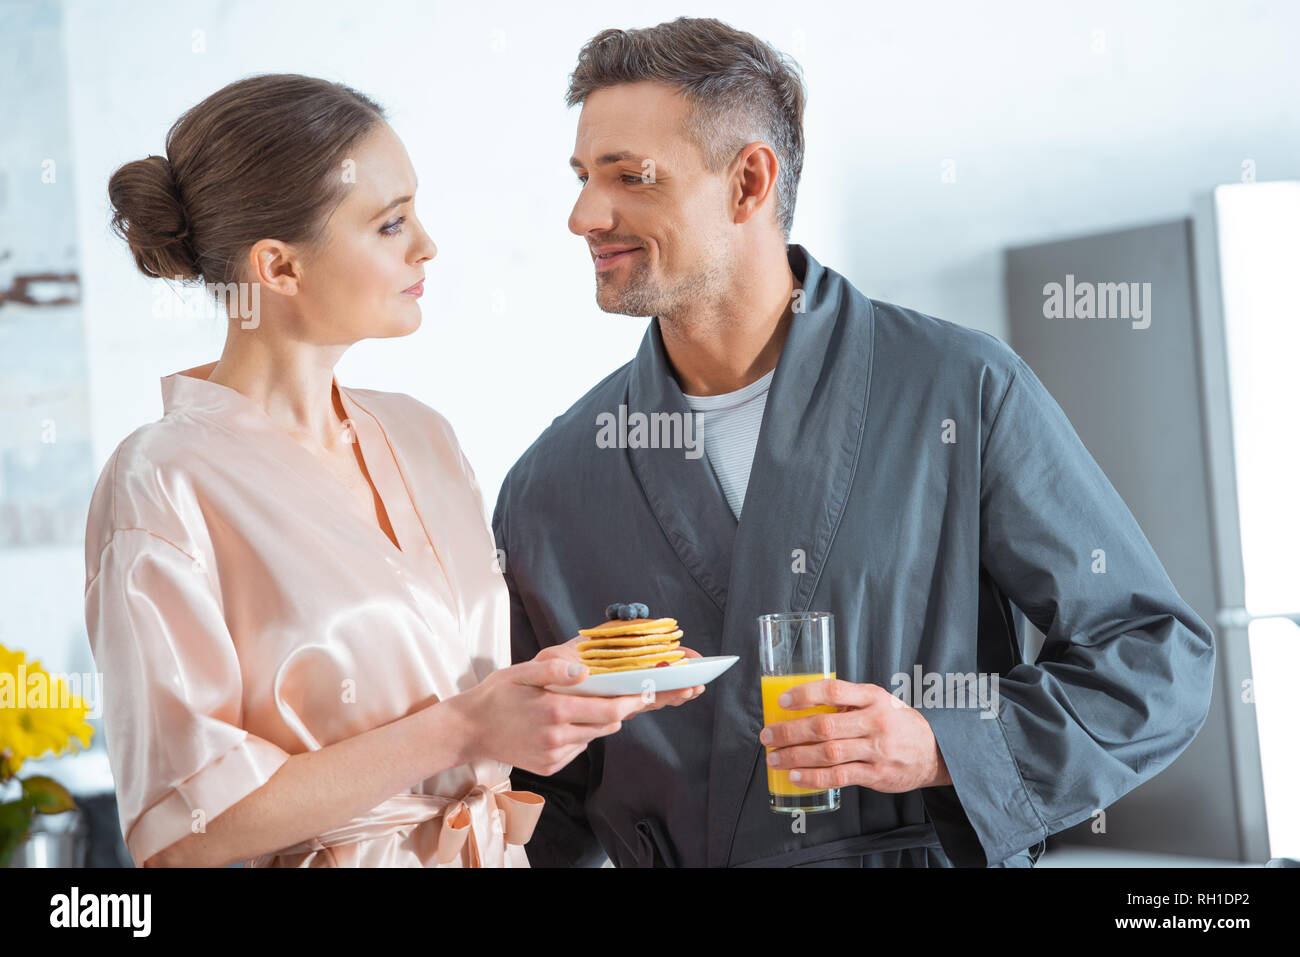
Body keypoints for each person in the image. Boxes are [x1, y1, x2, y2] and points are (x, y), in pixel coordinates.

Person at [492, 18, 1217, 867]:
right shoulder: (554, 482)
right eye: (582, 176)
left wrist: (944, 747)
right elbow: (540, 795)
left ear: (747, 183)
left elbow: (1152, 660)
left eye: (629, 177)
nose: (583, 214)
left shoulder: (959, 391)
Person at [84, 73, 702, 869]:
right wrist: (466, 729)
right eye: (390, 224)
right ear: (278, 269)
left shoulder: (423, 436)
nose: (426, 246)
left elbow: (458, 693)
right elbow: (179, 830)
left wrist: (570, 682)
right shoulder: (161, 482)